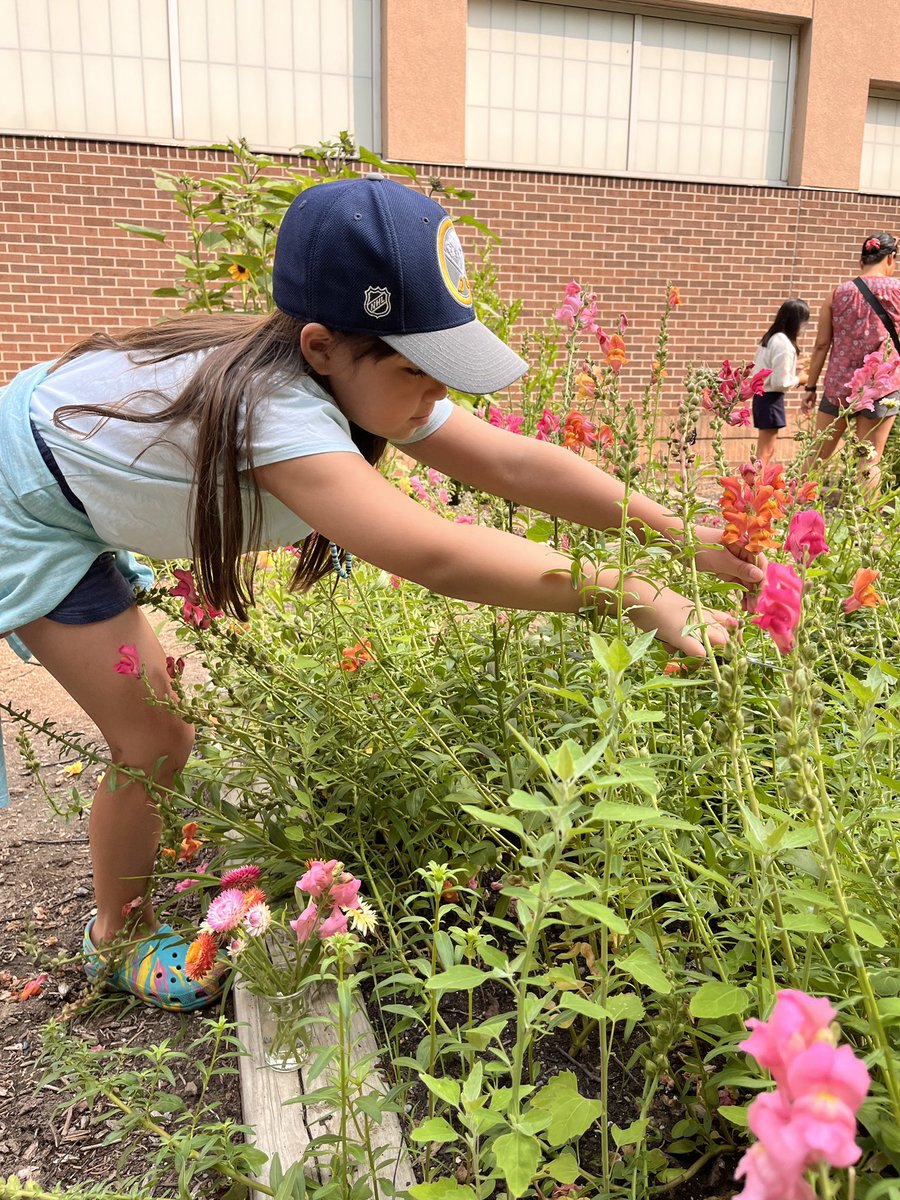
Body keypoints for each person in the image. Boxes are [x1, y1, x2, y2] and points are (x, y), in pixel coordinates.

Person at [0, 176, 763, 1012]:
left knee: (161, 721)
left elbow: (513, 463)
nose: (440, 397)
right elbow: (434, 552)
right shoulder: (276, 413)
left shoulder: (358, 374)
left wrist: (673, 531)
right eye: (422, 373)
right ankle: (117, 938)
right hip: (28, 500)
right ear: (323, 346)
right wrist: (629, 592)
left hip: (73, 457)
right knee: (153, 736)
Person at [802, 232, 900, 490]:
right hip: (882, 387)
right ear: (891, 258)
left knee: (815, 457)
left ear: (861, 261)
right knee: (869, 458)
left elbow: (822, 344)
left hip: (838, 387)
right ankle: (864, 526)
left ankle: (790, 511)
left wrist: (810, 387)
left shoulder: (837, 293)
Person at [751, 299, 810, 466]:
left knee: (764, 450)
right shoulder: (784, 344)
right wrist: (801, 378)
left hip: (762, 397)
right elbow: (780, 382)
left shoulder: (772, 338)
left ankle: (756, 486)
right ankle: (756, 488)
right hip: (771, 398)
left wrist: (794, 365)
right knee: (766, 452)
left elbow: (768, 368)